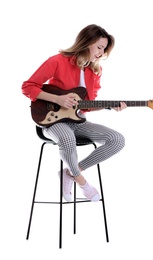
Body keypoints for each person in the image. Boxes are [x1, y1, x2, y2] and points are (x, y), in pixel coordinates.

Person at [22, 24, 127, 202]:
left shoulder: (95, 70)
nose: (101, 53)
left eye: (104, 49)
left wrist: (109, 106)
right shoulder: (57, 61)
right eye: (99, 47)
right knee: (67, 137)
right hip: (51, 121)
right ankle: (82, 182)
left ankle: (70, 172)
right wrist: (57, 100)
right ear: (87, 42)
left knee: (117, 140)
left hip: (78, 121)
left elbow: (86, 106)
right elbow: (28, 87)